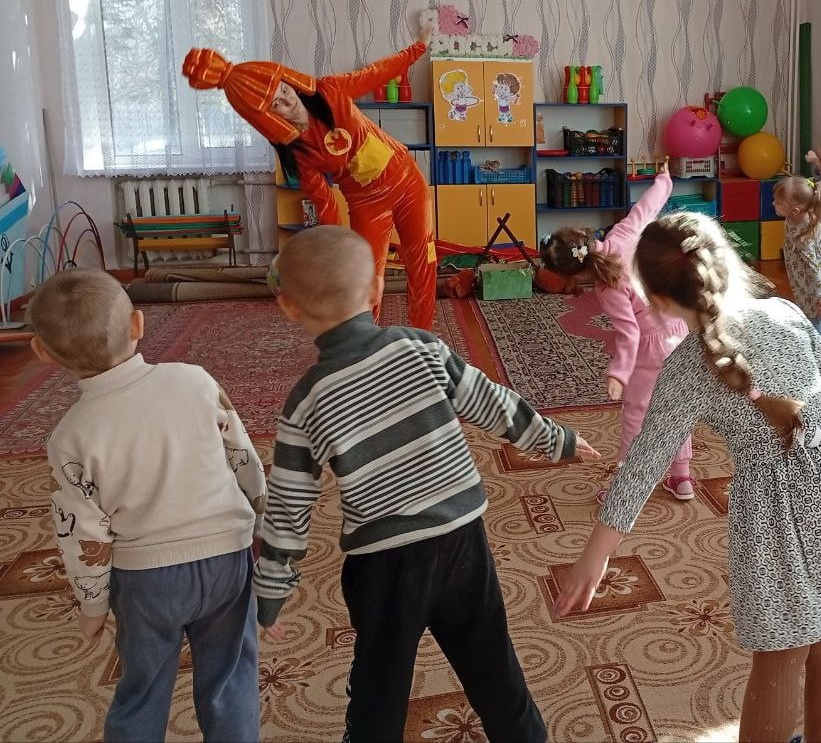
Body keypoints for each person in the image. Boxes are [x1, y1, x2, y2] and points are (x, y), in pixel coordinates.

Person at [553, 211, 821, 743]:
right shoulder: (786, 311)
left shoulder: (686, 367)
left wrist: (595, 555)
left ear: (656, 299)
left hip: (774, 515)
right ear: (725, 261)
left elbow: (643, 466)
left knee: (780, 657)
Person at [254, 226, 599, 742]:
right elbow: (492, 402)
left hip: (383, 566)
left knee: (378, 692)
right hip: (462, 544)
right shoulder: (420, 347)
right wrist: (556, 440)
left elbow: (288, 505)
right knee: (495, 672)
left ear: (288, 308)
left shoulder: (306, 400)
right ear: (377, 288)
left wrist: (271, 588)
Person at [30, 269, 264, 743]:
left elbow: (82, 532)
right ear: (138, 324)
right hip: (227, 559)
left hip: (147, 582)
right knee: (231, 675)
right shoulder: (194, 380)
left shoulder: (70, 435)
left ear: (42, 352)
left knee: (143, 688)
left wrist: (93, 603)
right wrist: (260, 524)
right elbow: (242, 457)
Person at [183, 41, 438, 330]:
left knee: (423, 259)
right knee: (364, 275)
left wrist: (418, 48)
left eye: (283, 89)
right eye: (275, 104)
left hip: (407, 181)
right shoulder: (299, 155)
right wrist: (336, 246)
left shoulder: (329, 91)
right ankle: (364, 341)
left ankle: (423, 335)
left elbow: (378, 72)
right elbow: (326, 205)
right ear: (267, 117)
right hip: (367, 204)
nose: (287, 100)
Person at [539, 159, 694, 502]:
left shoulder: (607, 286)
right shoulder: (622, 234)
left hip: (650, 349)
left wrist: (618, 374)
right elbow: (646, 207)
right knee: (678, 405)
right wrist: (664, 180)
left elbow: (630, 334)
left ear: (573, 274)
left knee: (636, 415)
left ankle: (624, 487)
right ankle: (682, 476)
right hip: (679, 332)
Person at [772, 174, 821, 339]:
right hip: (803, 272)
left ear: (795, 210)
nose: (773, 204)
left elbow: (814, 268)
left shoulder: (804, 238)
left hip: (813, 281)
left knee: (814, 314)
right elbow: (820, 194)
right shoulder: (806, 206)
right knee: (808, 308)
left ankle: (819, 344)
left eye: (778, 202)